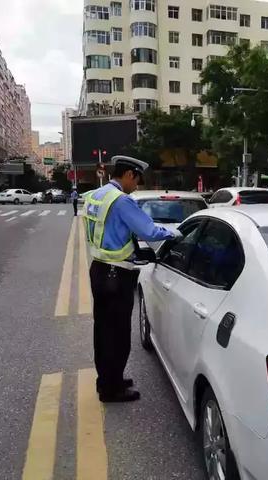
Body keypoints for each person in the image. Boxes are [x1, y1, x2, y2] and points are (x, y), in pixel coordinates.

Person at [83, 156, 181, 403]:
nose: (136, 186)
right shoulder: (121, 201)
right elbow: (148, 230)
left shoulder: (96, 195)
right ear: (129, 175)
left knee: (103, 331)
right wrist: (174, 233)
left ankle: (106, 379)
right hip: (117, 275)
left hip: (99, 269)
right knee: (117, 334)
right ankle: (112, 389)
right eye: (137, 181)